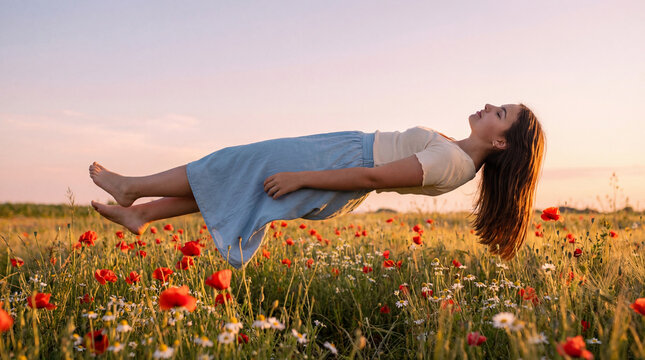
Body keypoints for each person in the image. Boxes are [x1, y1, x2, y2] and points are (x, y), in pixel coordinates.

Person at [89, 103, 545, 268]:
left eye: (499, 113)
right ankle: (141, 213)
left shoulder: (451, 161)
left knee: (231, 163)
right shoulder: (457, 156)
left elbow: (373, 177)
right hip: (341, 156)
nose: (488, 106)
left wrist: (302, 176)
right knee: (240, 179)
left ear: (502, 140)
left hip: (338, 164)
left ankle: (132, 189)